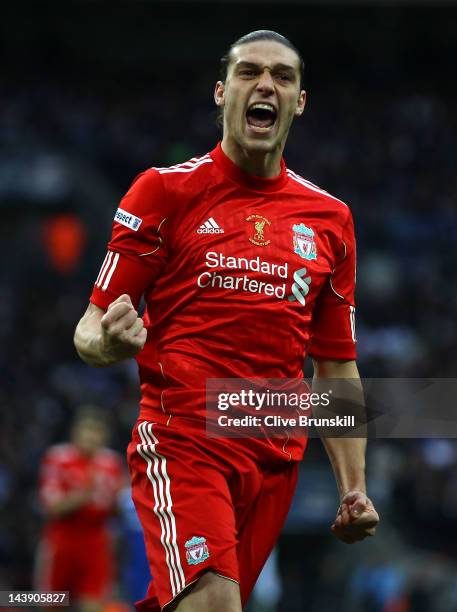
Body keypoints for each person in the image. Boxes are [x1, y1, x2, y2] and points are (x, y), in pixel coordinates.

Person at [74, 30, 379, 612]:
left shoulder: (330, 219)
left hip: (274, 461)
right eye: (249, 72)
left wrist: (353, 487)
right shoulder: (165, 191)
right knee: (215, 603)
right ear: (221, 92)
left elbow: (337, 364)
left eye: (283, 77)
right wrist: (108, 343)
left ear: (300, 101)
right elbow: (88, 327)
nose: (265, 84)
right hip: (184, 440)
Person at [36, 407, 126, 612]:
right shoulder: (58, 458)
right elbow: (52, 507)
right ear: (75, 432)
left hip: (96, 542)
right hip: (63, 539)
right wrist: (85, 494)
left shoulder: (112, 463)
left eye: (97, 431)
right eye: (87, 430)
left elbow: (115, 508)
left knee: (94, 604)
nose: (91, 436)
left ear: (105, 436)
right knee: (52, 604)